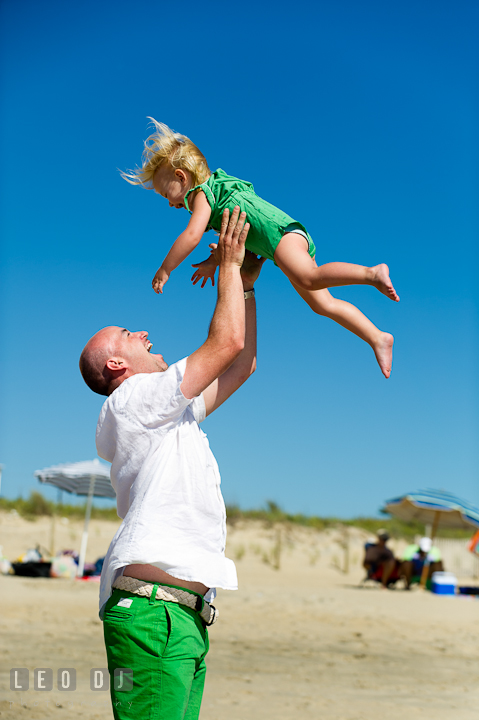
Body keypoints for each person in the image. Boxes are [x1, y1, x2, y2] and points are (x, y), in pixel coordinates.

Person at [79, 207, 264, 720]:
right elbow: (224, 344)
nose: (143, 333)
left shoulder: (167, 415)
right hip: (153, 613)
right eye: (128, 334)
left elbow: (241, 362)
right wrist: (228, 263)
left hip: (179, 616)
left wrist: (245, 285)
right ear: (118, 364)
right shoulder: (132, 400)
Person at [122, 119, 400, 378]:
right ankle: (377, 337)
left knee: (308, 277)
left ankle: (371, 274)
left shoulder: (201, 196)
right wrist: (211, 262)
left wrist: (165, 268)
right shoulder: (217, 196)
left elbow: (192, 235)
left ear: (182, 178)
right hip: (282, 240)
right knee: (322, 303)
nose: (170, 204)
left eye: (165, 194)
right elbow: (228, 238)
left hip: (281, 236)